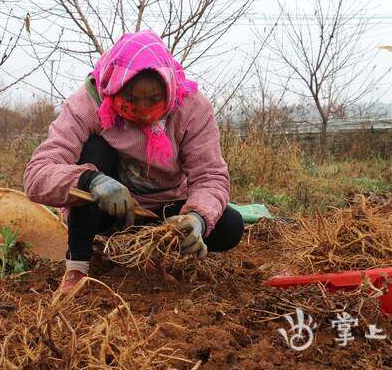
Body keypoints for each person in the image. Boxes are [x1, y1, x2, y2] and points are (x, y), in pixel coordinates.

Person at [24, 30, 243, 294]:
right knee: (94, 149)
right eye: (130, 100)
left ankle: (163, 248)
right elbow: (37, 176)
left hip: (165, 211)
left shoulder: (192, 108)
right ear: (114, 87)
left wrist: (197, 217)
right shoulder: (89, 102)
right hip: (107, 209)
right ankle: (78, 264)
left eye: (154, 100)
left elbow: (210, 176)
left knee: (230, 226)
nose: (144, 110)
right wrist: (91, 181)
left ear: (169, 89)